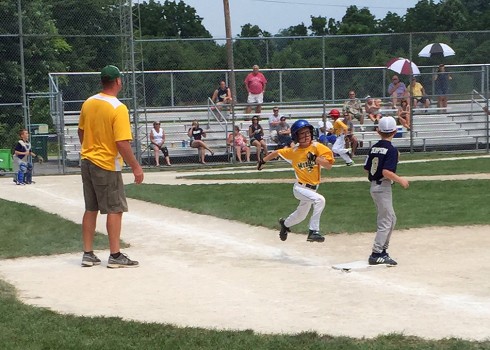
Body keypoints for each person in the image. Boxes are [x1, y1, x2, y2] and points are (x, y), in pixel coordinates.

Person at [78, 64, 144, 268]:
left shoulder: (89, 102)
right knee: (115, 209)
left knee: (91, 208)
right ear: (117, 82)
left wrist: (90, 147)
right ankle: (115, 255)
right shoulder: (118, 107)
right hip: (106, 163)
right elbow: (122, 142)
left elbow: (81, 132)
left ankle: (88, 253)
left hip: (87, 160)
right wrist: (136, 166)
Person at [257, 119, 335, 243]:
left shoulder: (317, 147)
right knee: (320, 200)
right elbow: (277, 152)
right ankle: (313, 231)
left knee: (301, 215)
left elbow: (328, 165)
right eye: (302, 134)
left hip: (313, 188)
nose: (306, 136)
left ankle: (285, 224)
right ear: (296, 136)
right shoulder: (294, 152)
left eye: (308, 133)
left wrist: (315, 158)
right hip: (300, 188)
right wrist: (263, 161)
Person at [363, 116, 409, 266]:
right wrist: (400, 180)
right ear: (395, 131)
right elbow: (386, 172)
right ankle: (376, 253)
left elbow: (366, 168)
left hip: (375, 186)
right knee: (386, 221)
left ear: (378, 131)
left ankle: (383, 250)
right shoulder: (391, 150)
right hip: (382, 187)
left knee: (391, 219)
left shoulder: (374, 147)